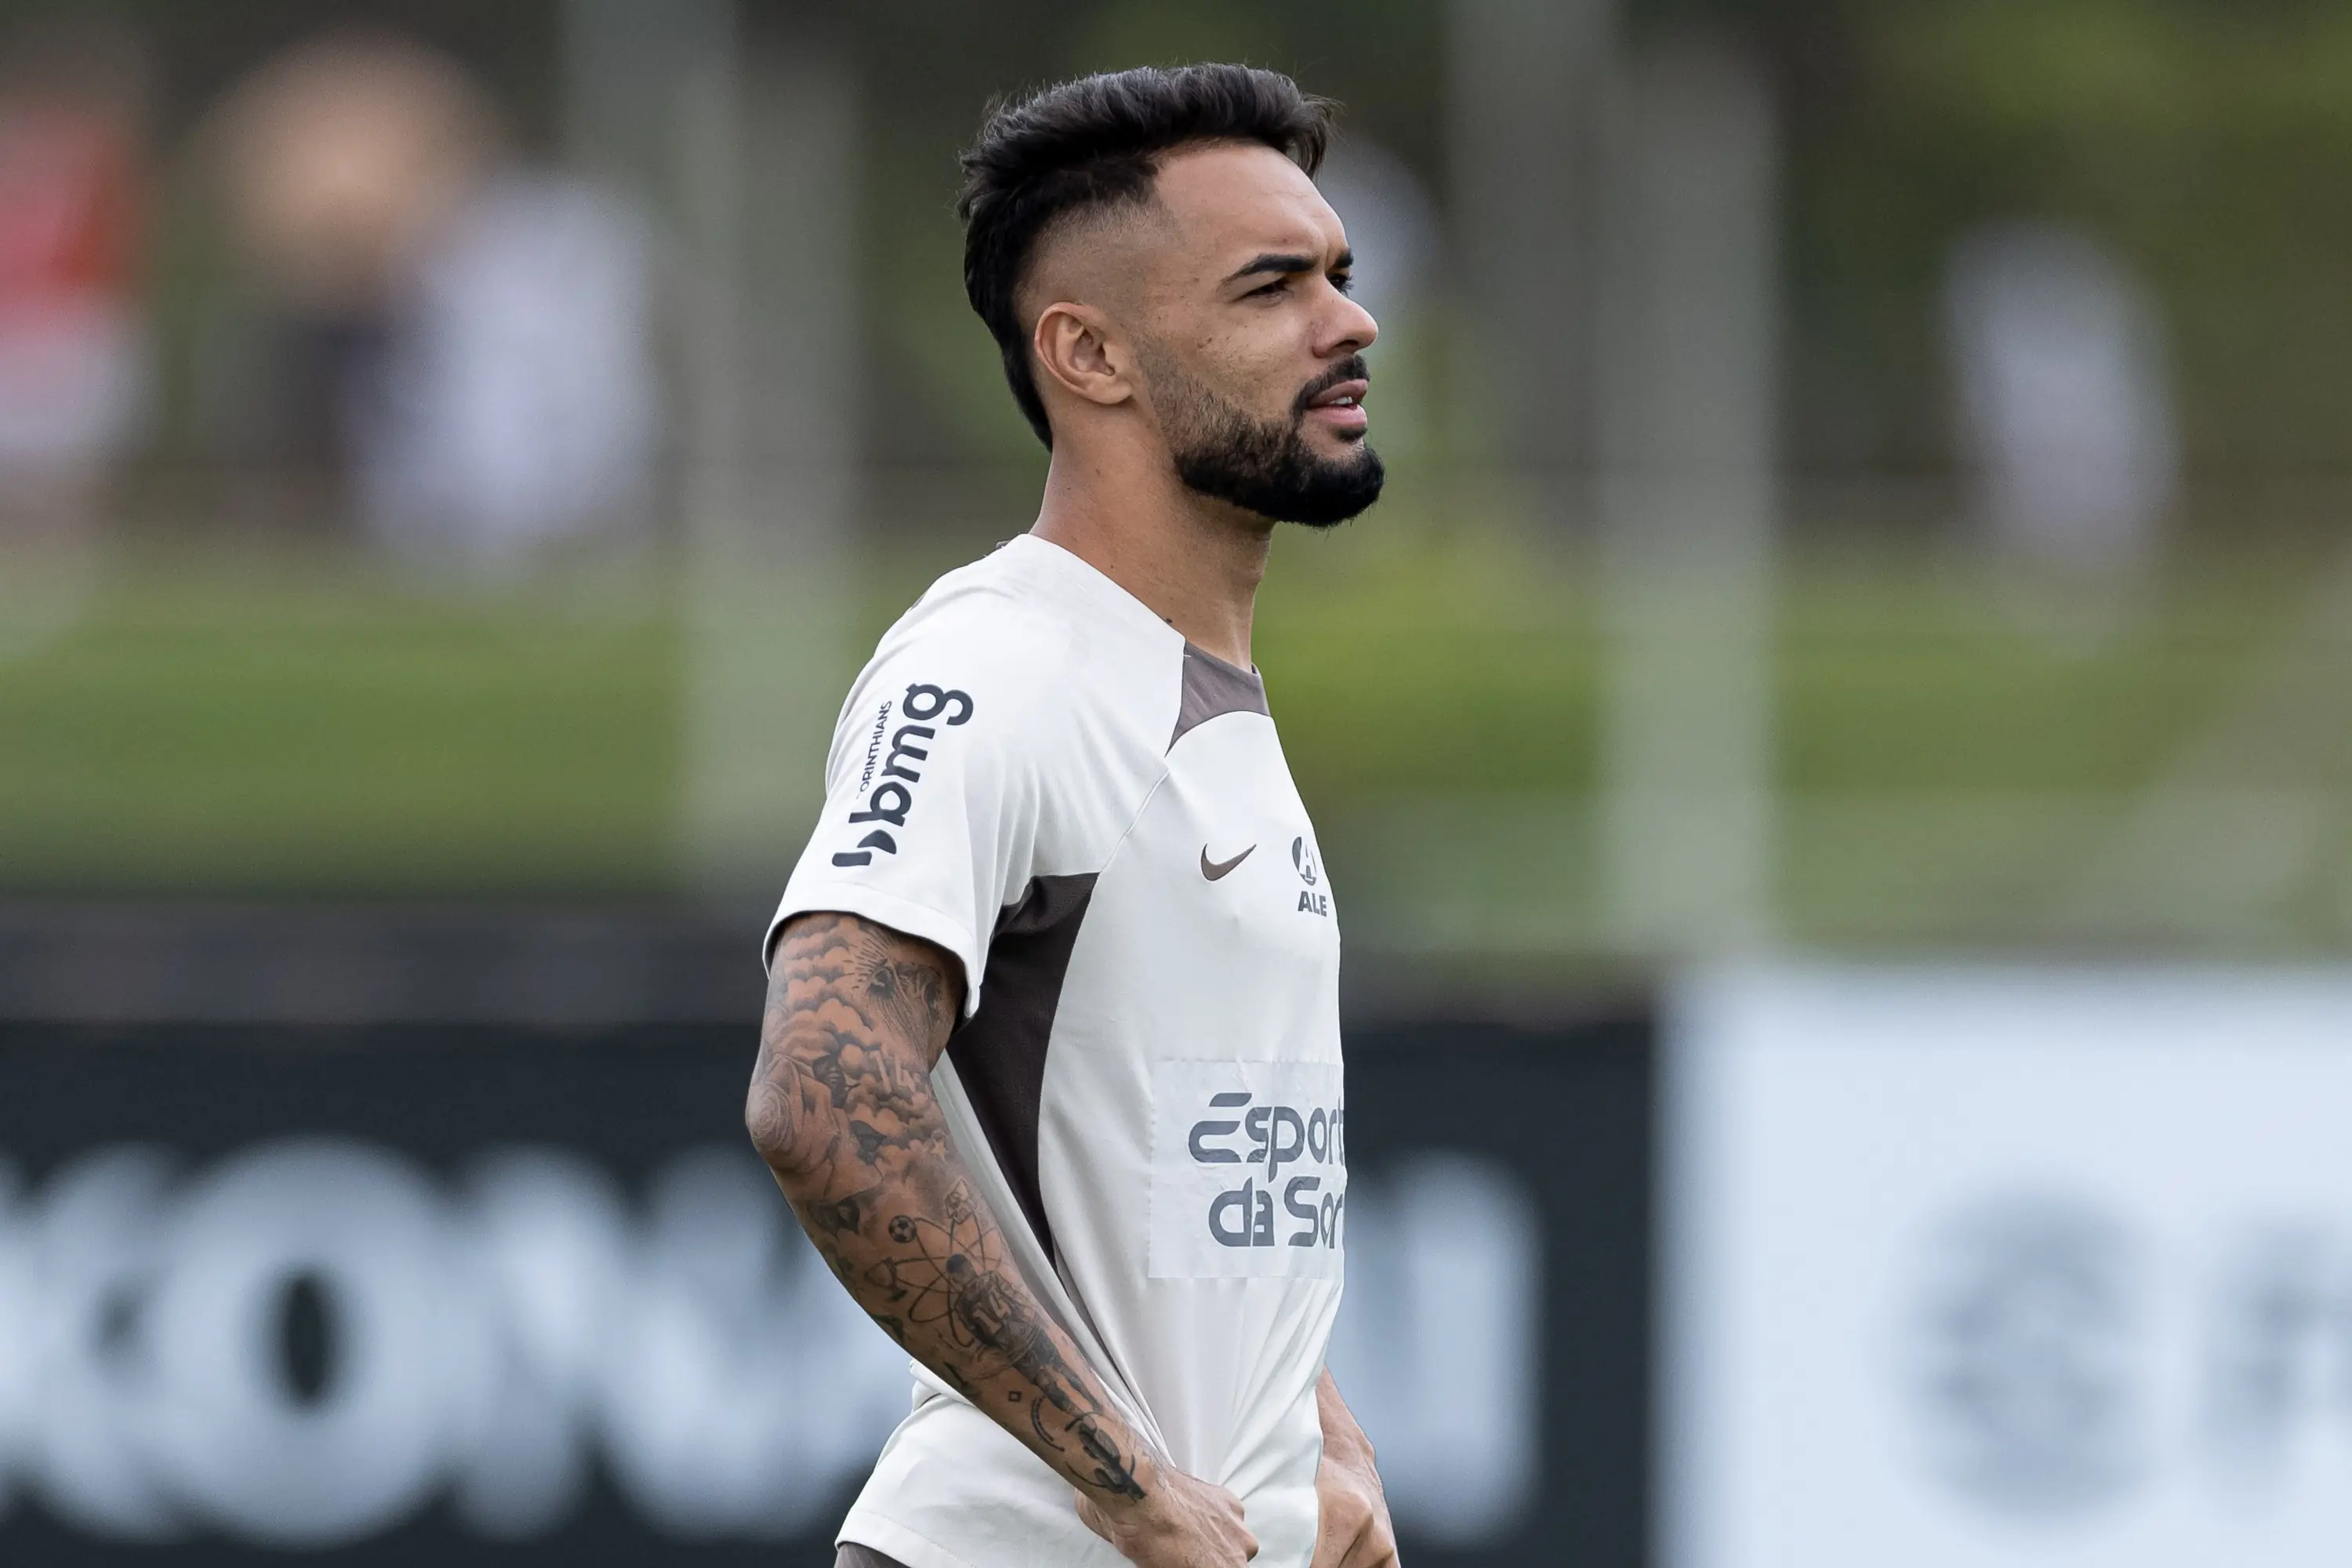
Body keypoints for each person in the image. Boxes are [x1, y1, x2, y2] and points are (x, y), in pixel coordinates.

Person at [745, 64, 1398, 1568]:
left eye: (1340, 274)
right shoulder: (999, 666)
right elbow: (821, 1094)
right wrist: (1120, 1478)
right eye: (1272, 287)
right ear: (1089, 354)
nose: (1350, 320)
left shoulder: (1184, 687)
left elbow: (1173, 1177)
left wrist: (1315, 1439)